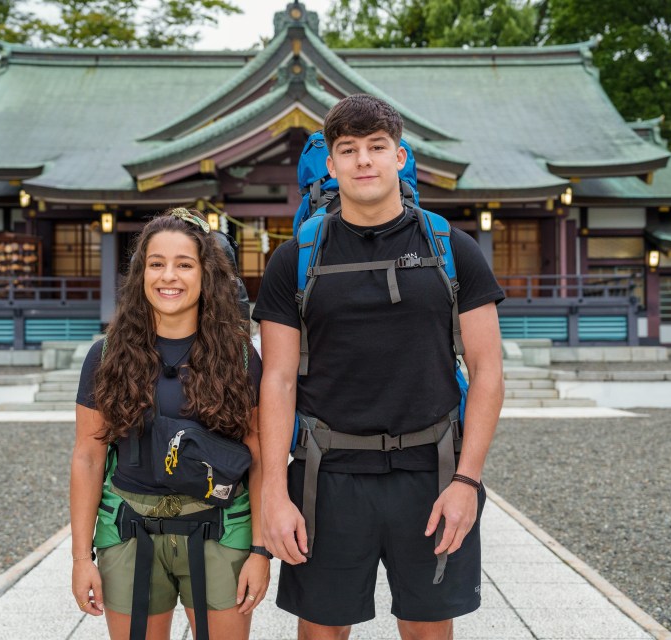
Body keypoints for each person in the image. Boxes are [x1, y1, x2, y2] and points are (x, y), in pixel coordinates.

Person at [253, 94, 505, 639]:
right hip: (328, 472)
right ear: (332, 163)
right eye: (348, 149)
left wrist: (468, 480)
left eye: (376, 146)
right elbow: (276, 380)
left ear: (399, 156)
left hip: (432, 469)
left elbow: (487, 370)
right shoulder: (295, 257)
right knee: (322, 629)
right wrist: (273, 491)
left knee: (427, 627)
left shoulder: (451, 247)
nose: (363, 160)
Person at [70, 208, 270, 640]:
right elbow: (88, 455)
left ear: (205, 275)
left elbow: (260, 456)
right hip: (128, 529)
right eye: (157, 264)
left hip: (220, 526)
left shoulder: (237, 357)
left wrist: (260, 551)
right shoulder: (105, 356)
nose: (169, 277)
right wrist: (80, 558)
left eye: (184, 264)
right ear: (141, 273)